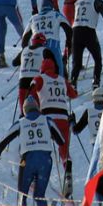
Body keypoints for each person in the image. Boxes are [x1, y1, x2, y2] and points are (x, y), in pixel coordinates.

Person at [0, 95, 65, 206]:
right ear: (37, 108)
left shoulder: (20, 122)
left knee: (22, 194)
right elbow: (61, 141)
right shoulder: (47, 120)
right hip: (45, 161)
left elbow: (5, 139)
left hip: (27, 161)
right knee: (39, 195)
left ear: (24, 110)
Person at [28, 53, 78, 198]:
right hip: (63, 117)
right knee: (63, 149)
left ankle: (36, 177)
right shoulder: (62, 80)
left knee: (42, 146)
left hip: (48, 118)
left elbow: (31, 91)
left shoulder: (40, 78)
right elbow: (73, 94)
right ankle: (67, 170)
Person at [72, 87, 103, 202]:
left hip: (98, 152)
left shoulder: (89, 112)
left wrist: (72, 121)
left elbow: (76, 130)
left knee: (97, 181)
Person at [21, 0, 72, 78]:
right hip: (53, 47)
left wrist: (27, 51)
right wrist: (68, 47)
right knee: (59, 73)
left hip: (36, 48)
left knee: (38, 75)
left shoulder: (33, 18)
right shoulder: (56, 14)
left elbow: (24, 38)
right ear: (51, 6)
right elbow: (69, 30)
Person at [13, 32, 50, 111]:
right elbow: (52, 65)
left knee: (24, 108)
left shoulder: (25, 50)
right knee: (37, 107)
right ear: (43, 42)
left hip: (23, 80)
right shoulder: (45, 50)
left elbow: (14, 63)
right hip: (36, 80)